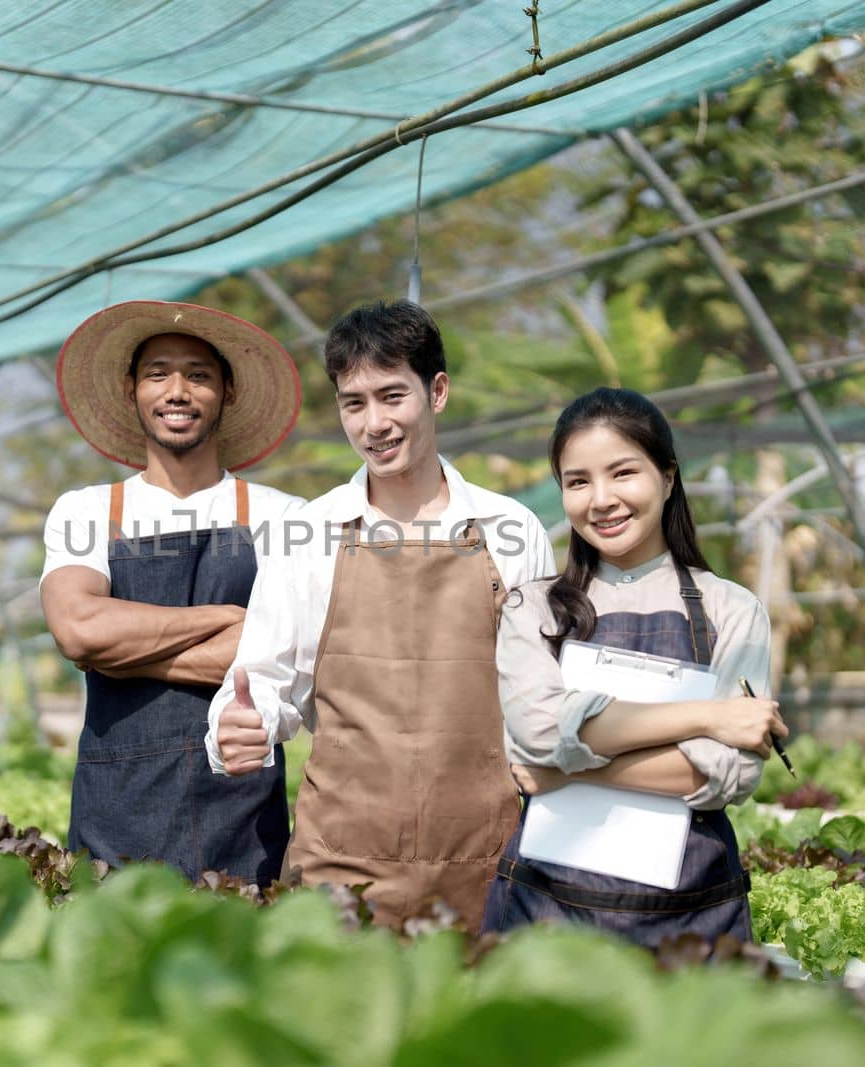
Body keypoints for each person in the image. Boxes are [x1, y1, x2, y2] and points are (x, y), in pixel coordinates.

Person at [207, 300, 554, 929]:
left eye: (393, 396)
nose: (374, 424)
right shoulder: (307, 531)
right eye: (353, 403)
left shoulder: (511, 530)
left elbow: (544, 692)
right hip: (340, 866)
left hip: (486, 865)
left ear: (437, 391)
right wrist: (239, 726)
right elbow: (263, 682)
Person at [480, 386, 787, 946]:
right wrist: (705, 716)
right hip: (546, 913)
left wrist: (565, 771)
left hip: (692, 921)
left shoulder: (732, 610)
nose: (601, 499)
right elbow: (539, 734)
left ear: (667, 478)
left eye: (623, 473)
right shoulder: (532, 610)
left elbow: (725, 774)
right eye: (578, 482)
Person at [40, 300, 304, 886]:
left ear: (228, 393)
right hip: (115, 804)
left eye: (199, 375)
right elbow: (78, 630)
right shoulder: (85, 511)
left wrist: (119, 651)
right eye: (158, 373)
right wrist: (229, 620)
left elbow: (288, 656)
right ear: (132, 388)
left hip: (241, 805)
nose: (177, 390)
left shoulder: (283, 515)